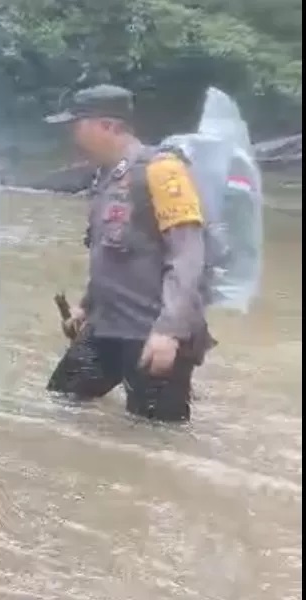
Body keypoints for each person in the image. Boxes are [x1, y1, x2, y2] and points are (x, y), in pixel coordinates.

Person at [44, 84, 214, 423]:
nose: (72, 135)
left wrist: (169, 330)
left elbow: (188, 255)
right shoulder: (107, 175)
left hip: (151, 333)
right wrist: (87, 305)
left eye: (77, 125)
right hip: (105, 326)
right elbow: (112, 248)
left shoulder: (164, 171)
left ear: (107, 126)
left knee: (156, 437)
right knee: (61, 402)